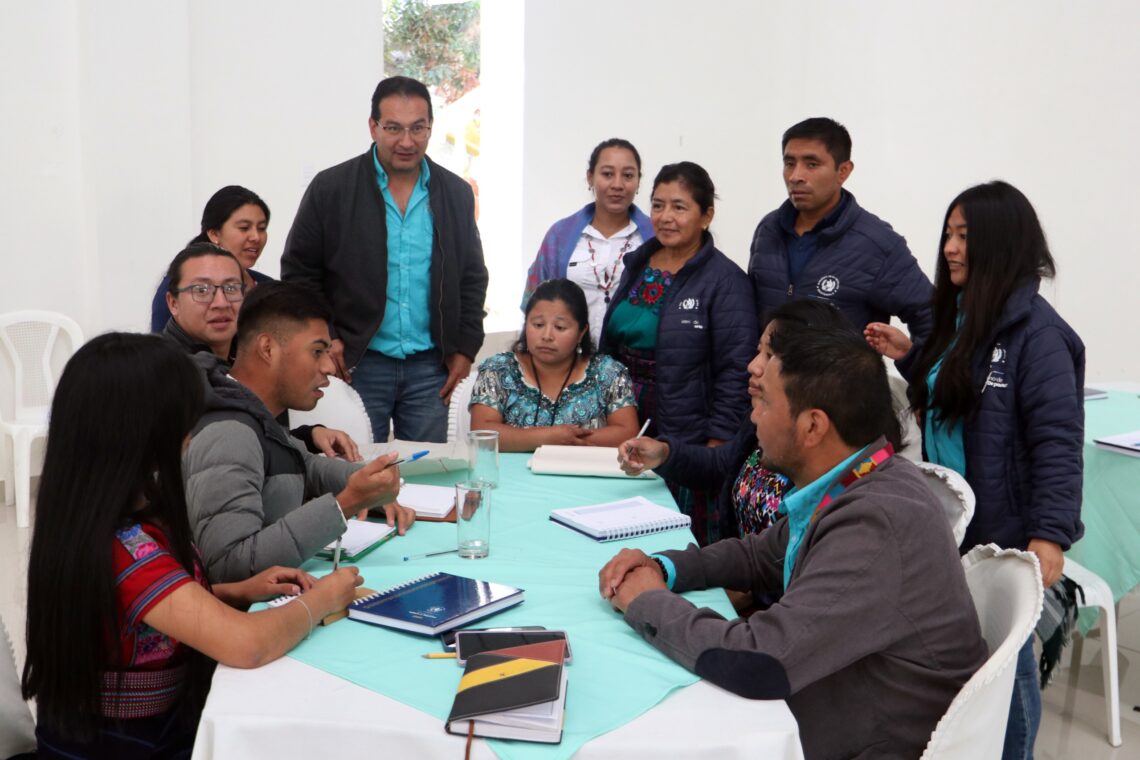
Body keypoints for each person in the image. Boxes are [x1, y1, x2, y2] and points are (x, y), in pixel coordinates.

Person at [598, 319, 987, 760]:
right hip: (843, 704)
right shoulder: (863, 475)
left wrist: (647, 601)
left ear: (813, 426)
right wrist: (663, 567)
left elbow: (761, 661)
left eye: (764, 402)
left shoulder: (875, 524)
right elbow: (760, 555)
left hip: (872, 741)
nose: (753, 416)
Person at [20, 333, 364, 758]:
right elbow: (248, 645)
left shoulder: (110, 520)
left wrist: (235, 592)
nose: (192, 434)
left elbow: (146, 615)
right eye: (186, 420)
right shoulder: (126, 551)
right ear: (144, 433)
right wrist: (325, 598)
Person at [864, 180, 1085, 759]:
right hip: (958, 526)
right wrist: (911, 355)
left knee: (1005, 667)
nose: (950, 248)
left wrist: (1049, 535)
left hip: (1004, 531)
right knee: (975, 660)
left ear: (1002, 243)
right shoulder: (965, 317)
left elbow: (1058, 441)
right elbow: (957, 393)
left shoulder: (1038, 335)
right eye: (949, 234)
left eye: (965, 236)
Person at [281, 75, 488, 443]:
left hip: (431, 367)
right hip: (355, 362)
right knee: (354, 467)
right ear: (373, 126)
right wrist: (327, 338)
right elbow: (300, 274)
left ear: (430, 128)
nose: (406, 141)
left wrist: (465, 349)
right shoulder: (332, 189)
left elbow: (472, 277)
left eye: (417, 128)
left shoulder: (455, 193)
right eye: (393, 128)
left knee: (429, 469)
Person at [184, 282, 415, 583]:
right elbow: (228, 567)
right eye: (317, 351)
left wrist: (367, 484)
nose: (329, 367)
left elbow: (305, 466)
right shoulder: (229, 433)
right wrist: (346, 504)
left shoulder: (252, 410)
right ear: (268, 349)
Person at [600, 161, 757, 545]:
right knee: (617, 524)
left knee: (675, 535)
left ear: (707, 216)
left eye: (679, 207)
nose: (665, 216)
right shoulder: (638, 263)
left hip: (688, 426)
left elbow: (736, 370)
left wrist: (717, 444)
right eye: (658, 205)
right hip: (625, 413)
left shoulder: (726, 281)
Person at [618, 299, 855, 539]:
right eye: (758, 352)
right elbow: (721, 465)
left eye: (771, 356)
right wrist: (664, 454)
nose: (753, 366)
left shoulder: (829, 464)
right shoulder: (761, 417)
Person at [160, 242, 360, 461]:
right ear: (173, 303)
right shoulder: (163, 371)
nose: (221, 303)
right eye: (202, 290)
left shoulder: (253, 351)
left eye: (231, 288)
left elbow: (250, 443)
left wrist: (308, 437)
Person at [749, 117, 933, 343]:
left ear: (843, 171)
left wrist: (910, 360)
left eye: (812, 164)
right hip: (769, 366)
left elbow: (932, 318)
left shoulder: (878, 243)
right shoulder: (769, 229)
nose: (796, 176)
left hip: (840, 367)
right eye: (789, 163)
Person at [470, 278, 639, 452]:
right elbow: (482, 433)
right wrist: (550, 437)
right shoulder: (498, 369)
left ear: (581, 332)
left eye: (560, 327)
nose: (547, 336)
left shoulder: (608, 372)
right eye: (538, 325)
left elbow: (627, 433)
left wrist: (565, 440)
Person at [523, 138, 654, 346]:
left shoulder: (655, 239)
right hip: (568, 359)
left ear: (638, 182)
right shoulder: (560, 236)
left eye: (628, 175)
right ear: (590, 177)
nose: (617, 184)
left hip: (634, 360)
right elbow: (534, 303)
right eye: (607, 174)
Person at [151, 185, 273, 332]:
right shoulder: (178, 286)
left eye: (261, 228)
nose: (256, 237)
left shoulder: (268, 287)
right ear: (214, 234)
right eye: (244, 228)